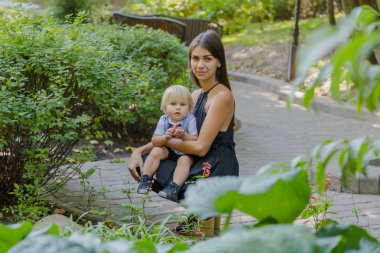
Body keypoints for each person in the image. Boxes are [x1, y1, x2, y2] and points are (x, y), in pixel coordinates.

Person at [128, 29, 239, 234]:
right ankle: (199, 222)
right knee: (147, 156)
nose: (200, 65)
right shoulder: (196, 95)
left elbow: (200, 147)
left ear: (219, 62)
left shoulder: (221, 96)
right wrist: (138, 151)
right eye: (195, 58)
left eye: (207, 58)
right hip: (202, 161)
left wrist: (164, 142)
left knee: (159, 161)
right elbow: (173, 131)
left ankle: (200, 221)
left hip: (216, 167)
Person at [137, 85, 198, 202]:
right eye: (173, 104)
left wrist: (184, 136)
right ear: (165, 106)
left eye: (182, 104)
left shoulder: (190, 119)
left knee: (184, 161)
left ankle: (174, 187)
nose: (178, 108)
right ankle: (146, 179)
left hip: (185, 152)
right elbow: (155, 141)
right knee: (156, 151)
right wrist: (165, 137)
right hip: (168, 150)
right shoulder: (164, 119)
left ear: (189, 107)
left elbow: (195, 139)